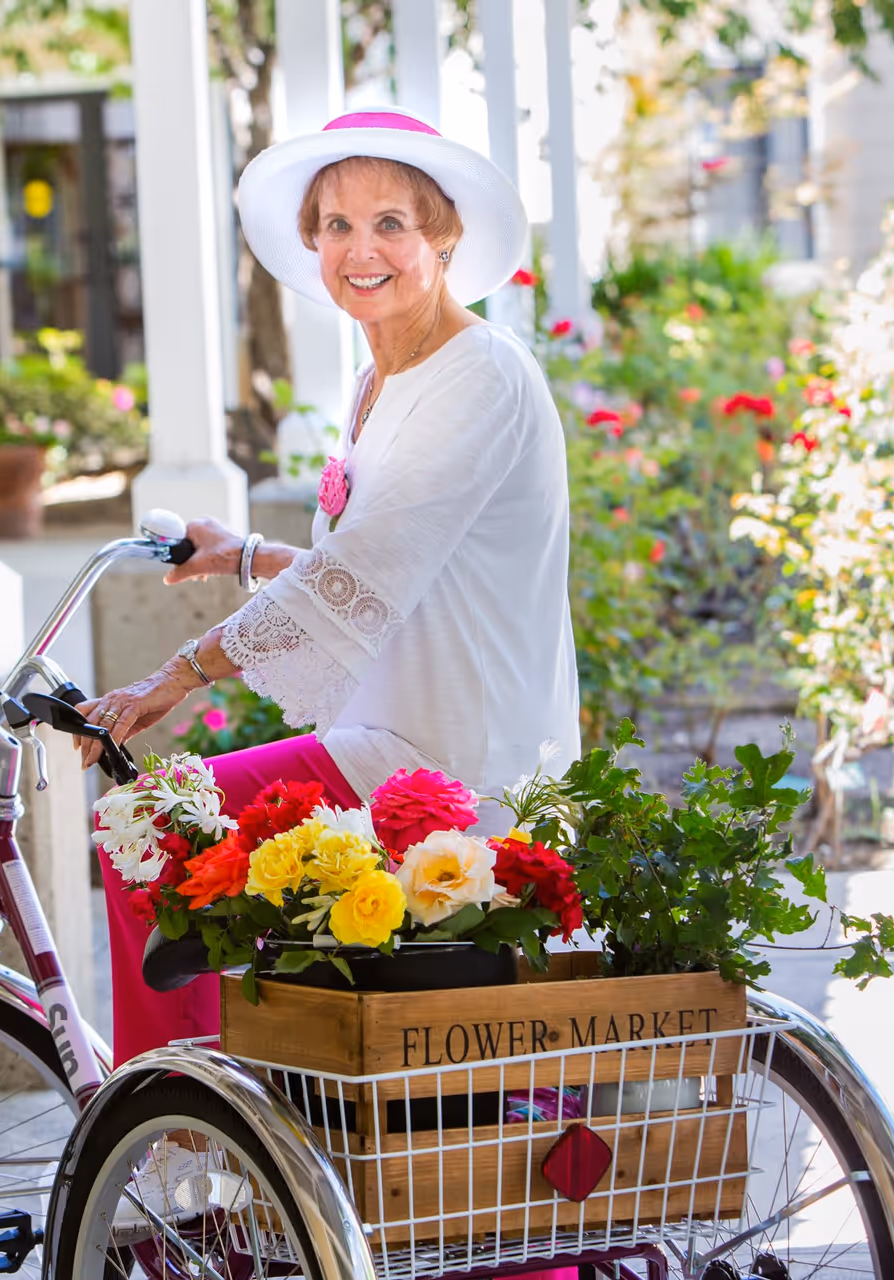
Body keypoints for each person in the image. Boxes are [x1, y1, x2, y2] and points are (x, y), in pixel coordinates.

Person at [78, 108, 582, 1065]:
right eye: (338, 226)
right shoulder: (377, 381)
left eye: (392, 222)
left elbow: (365, 571)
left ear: (443, 237)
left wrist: (176, 676)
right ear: (312, 240)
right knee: (183, 856)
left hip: (450, 762)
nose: (362, 249)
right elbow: (386, 565)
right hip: (386, 741)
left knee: (146, 826)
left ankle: (179, 1133)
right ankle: (222, 1116)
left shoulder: (479, 376)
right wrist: (241, 556)